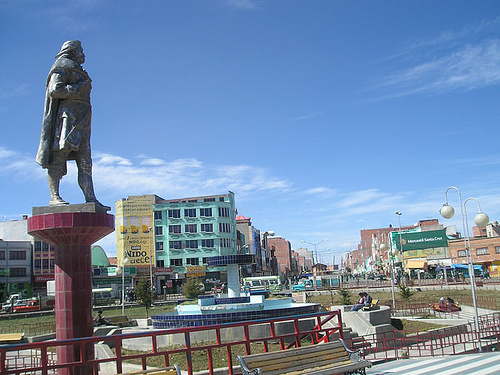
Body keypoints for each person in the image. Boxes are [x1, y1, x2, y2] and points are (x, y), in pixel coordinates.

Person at [36, 40, 106, 208]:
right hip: (67, 118)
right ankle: (54, 197)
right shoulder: (62, 65)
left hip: (82, 118)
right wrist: (78, 88)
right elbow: (55, 90)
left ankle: (91, 198)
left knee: (85, 161)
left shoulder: (79, 70)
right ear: (73, 51)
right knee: (59, 155)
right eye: (81, 51)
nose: (84, 54)